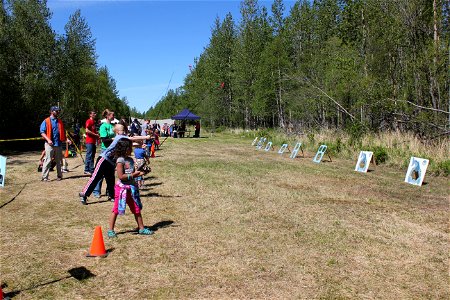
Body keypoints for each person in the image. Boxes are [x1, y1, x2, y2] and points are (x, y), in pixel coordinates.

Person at [79, 124, 151, 205]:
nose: (124, 131)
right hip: (104, 159)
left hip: (111, 162)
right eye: (122, 130)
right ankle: (83, 194)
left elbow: (130, 144)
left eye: (124, 130)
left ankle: (112, 196)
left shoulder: (122, 139)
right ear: (117, 132)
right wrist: (146, 137)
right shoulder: (119, 137)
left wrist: (140, 145)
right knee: (96, 177)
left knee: (110, 179)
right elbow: (132, 139)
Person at [107, 139, 153, 238]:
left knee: (136, 208)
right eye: (130, 147)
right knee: (116, 209)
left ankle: (141, 228)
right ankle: (110, 230)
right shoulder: (120, 161)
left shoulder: (131, 160)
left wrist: (143, 172)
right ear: (125, 149)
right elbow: (121, 176)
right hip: (121, 189)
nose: (131, 149)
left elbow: (135, 173)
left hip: (131, 188)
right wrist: (133, 175)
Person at [39, 106, 67, 181]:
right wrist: (48, 140)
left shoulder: (60, 121)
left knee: (59, 161)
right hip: (49, 144)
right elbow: (42, 132)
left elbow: (62, 133)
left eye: (58, 111)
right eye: (56, 111)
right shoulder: (46, 121)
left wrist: (66, 140)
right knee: (48, 160)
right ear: (51, 111)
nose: (58, 112)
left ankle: (59, 176)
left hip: (58, 144)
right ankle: (45, 177)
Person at [92, 109, 116, 198]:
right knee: (100, 173)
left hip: (112, 152)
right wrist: (114, 139)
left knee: (110, 174)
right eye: (112, 115)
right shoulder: (103, 126)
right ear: (107, 116)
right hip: (105, 151)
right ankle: (96, 191)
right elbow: (104, 140)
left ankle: (109, 192)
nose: (113, 117)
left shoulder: (113, 126)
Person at [84, 110, 99, 175]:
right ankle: (87, 169)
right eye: (93, 113)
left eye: (95, 113)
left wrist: (97, 134)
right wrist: (95, 135)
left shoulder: (93, 122)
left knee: (92, 155)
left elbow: (93, 131)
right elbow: (87, 130)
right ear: (90, 115)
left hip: (93, 141)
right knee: (89, 155)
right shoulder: (89, 121)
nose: (95, 114)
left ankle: (91, 169)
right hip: (89, 141)